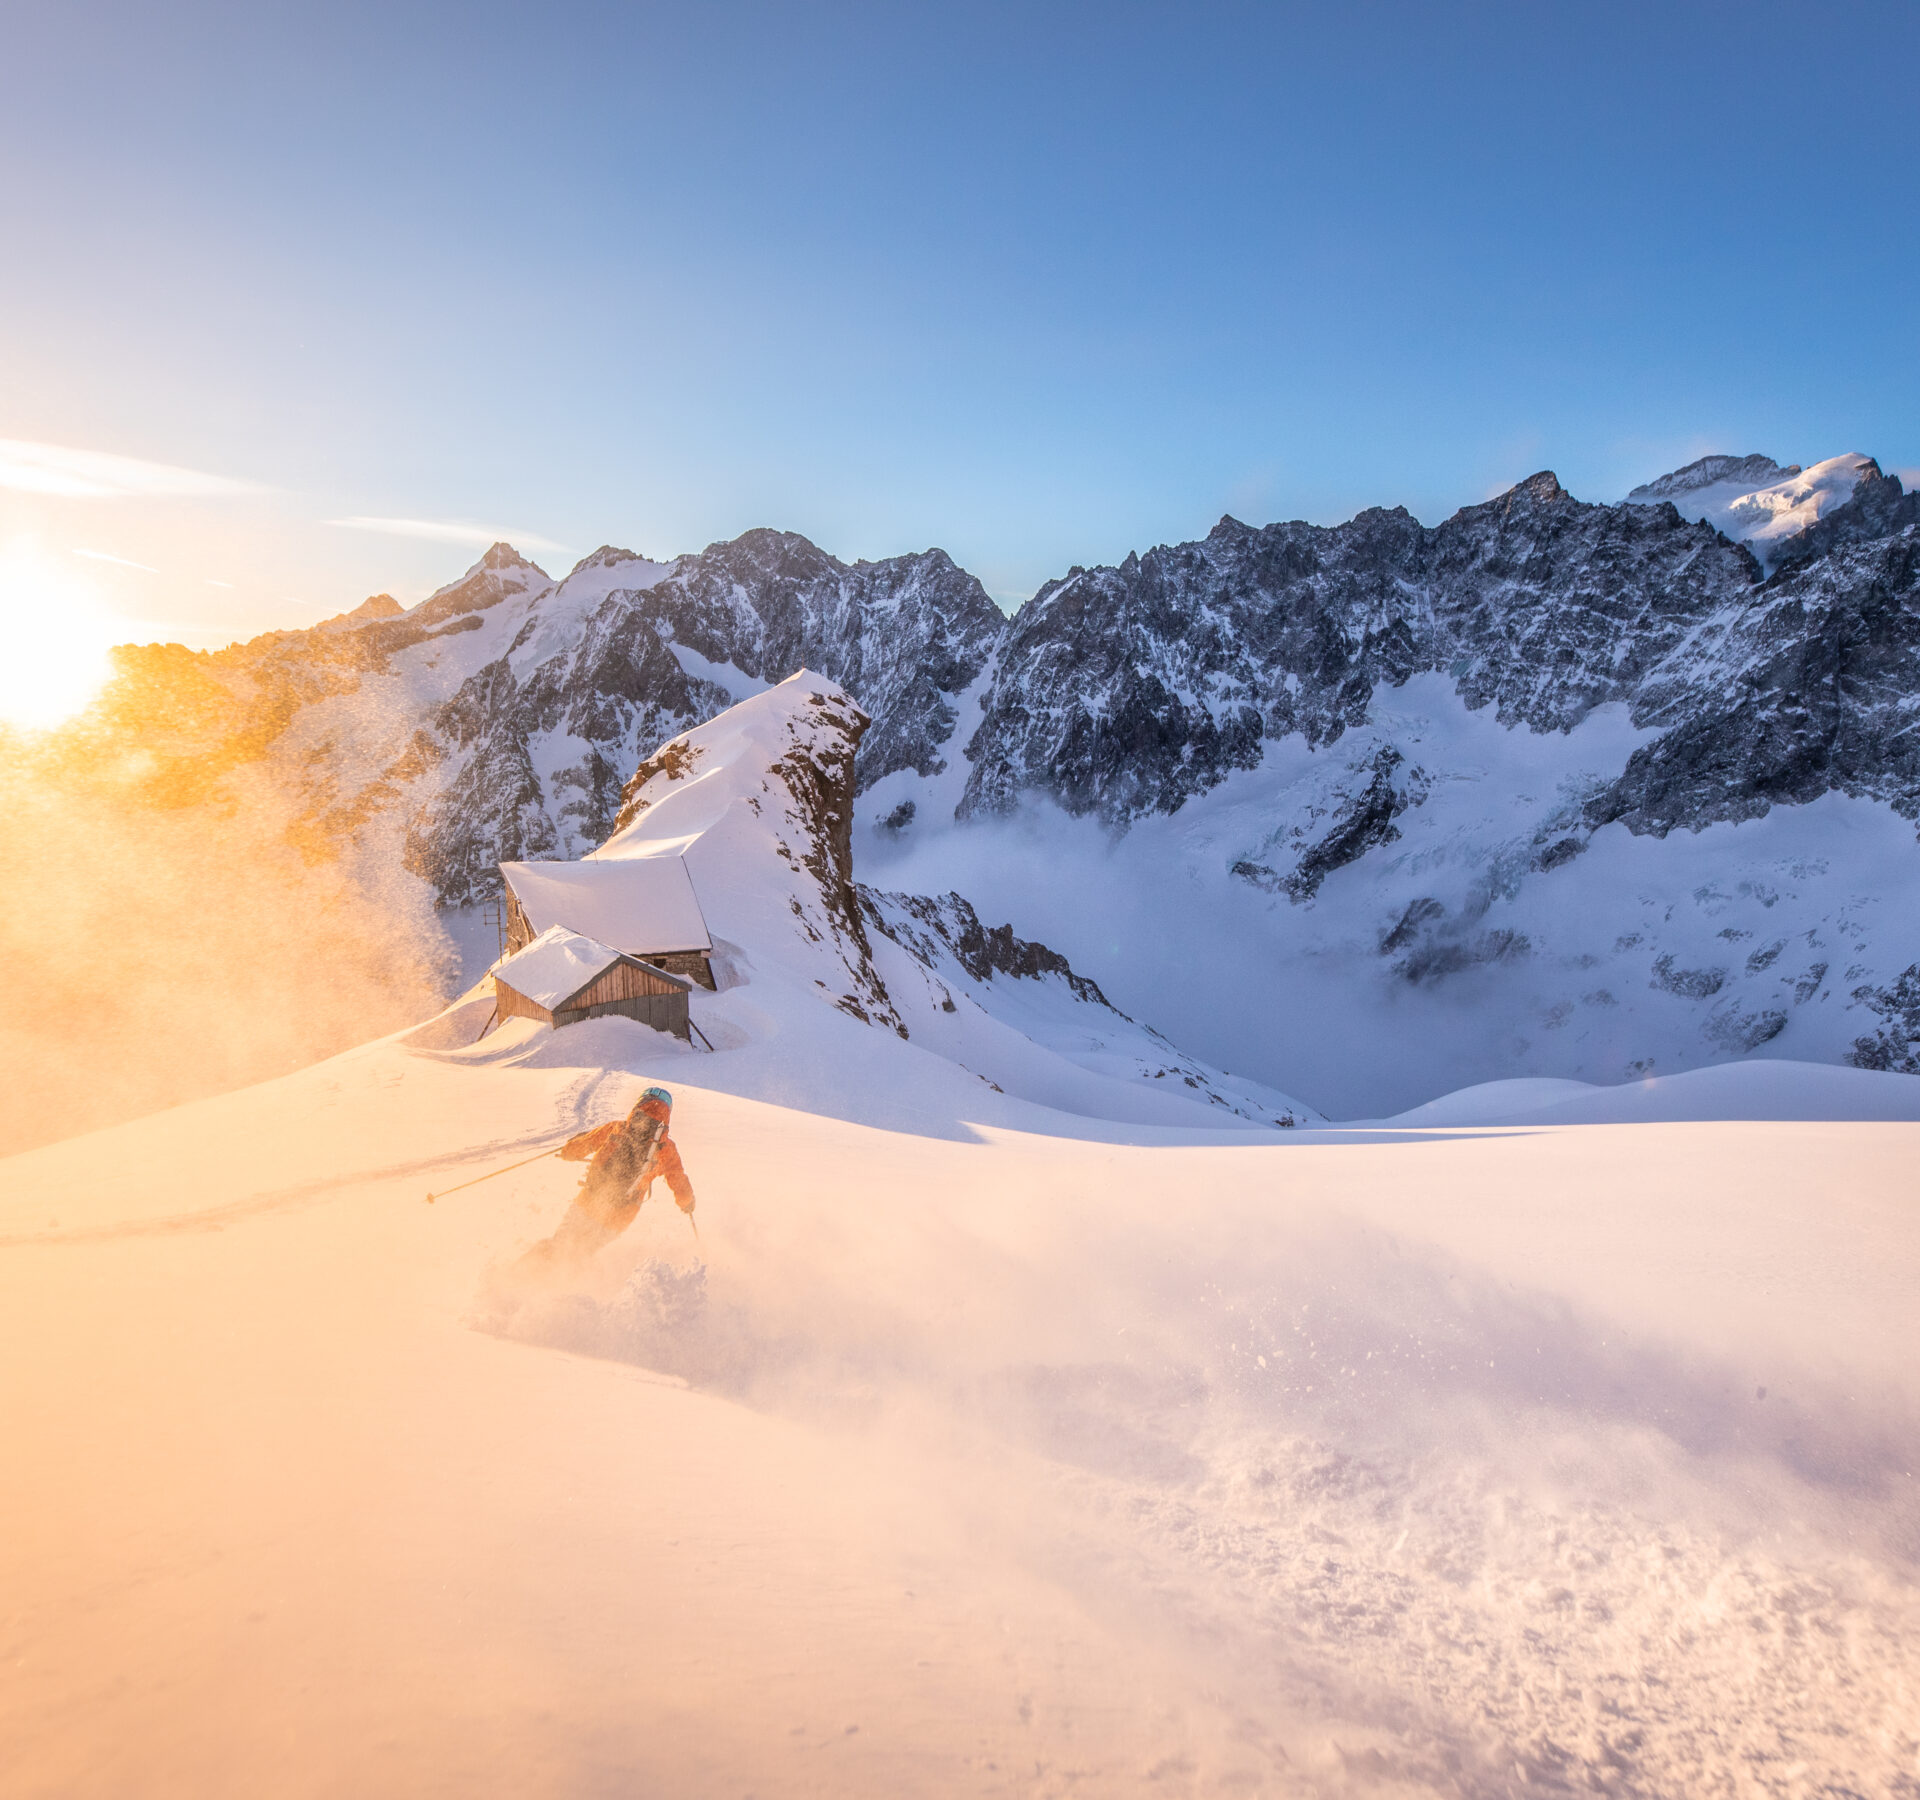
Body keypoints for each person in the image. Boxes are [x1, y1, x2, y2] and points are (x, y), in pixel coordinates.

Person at [543, 1085, 696, 1260]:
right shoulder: (666, 1149)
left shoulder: (617, 1129)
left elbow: (581, 1146)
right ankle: (570, 1281)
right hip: (619, 1217)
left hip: (589, 1201)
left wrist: (568, 1150)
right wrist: (687, 1203)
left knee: (560, 1244)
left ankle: (527, 1274)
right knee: (582, 1253)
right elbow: (678, 1179)